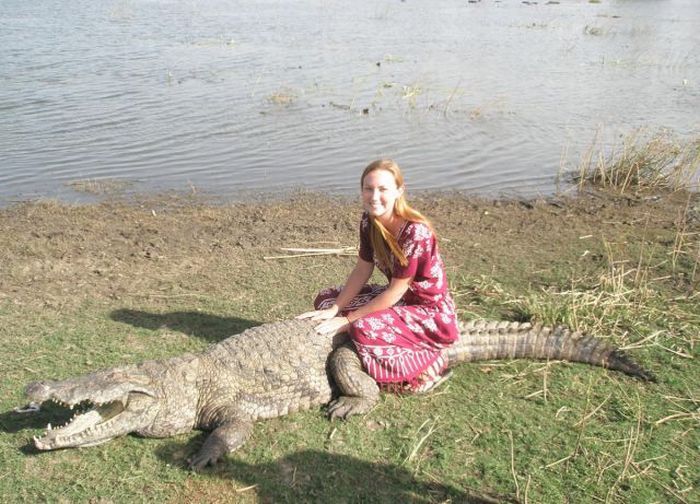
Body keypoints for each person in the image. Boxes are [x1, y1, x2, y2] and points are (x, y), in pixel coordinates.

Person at [297, 159, 458, 393]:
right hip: (399, 301)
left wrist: (348, 320)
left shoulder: (416, 232)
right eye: (368, 188)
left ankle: (430, 367)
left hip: (429, 313)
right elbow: (363, 268)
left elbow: (395, 292)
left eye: (383, 189)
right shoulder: (368, 221)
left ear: (398, 191)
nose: (374, 196)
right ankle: (365, 342)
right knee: (326, 299)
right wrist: (336, 309)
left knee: (362, 327)